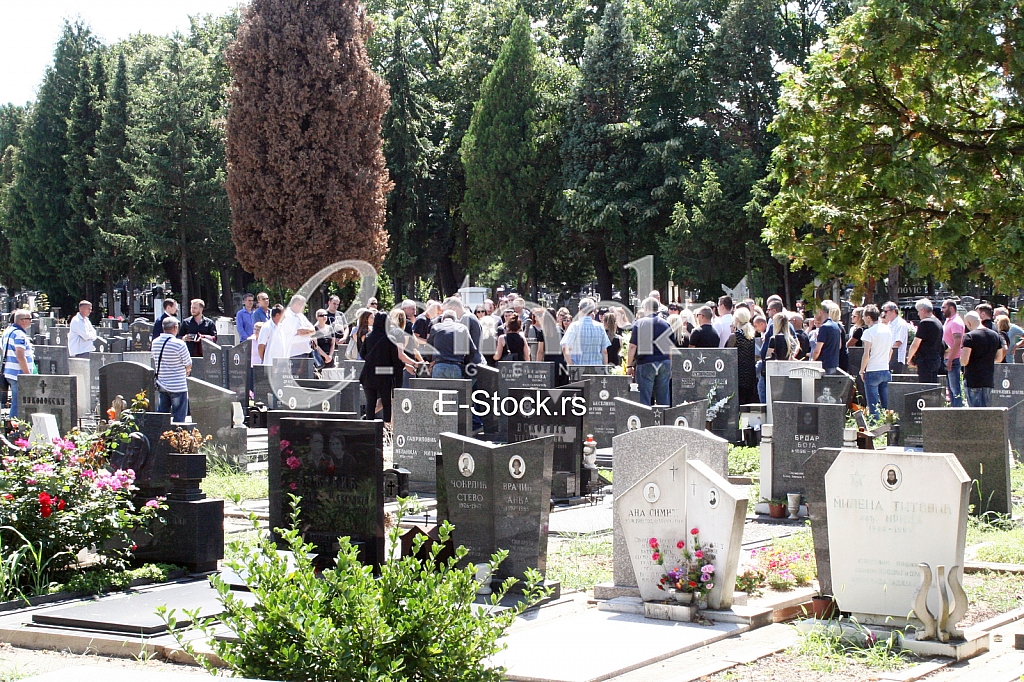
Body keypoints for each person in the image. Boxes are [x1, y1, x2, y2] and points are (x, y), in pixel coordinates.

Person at [359, 311, 410, 423]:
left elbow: (362, 354)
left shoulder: (368, 336)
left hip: (369, 374)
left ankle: (369, 428)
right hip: (384, 374)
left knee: (370, 403)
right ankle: (386, 427)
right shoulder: (390, 338)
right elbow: (395, 359)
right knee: (386, 403)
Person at [627, 297, 672, 406]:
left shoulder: (639, 323)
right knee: (663, 397)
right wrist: (671, 367)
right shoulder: (666, 324)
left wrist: (629, 366)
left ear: (646, 308)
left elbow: (633, 346)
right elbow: (670, 348)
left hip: (646, 363)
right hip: (664, 362)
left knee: (644, 397)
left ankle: (646, 421)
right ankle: (664, 420)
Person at [151, 316, 192, 423]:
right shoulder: (179, 344)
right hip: (178, 385)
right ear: (175, 327)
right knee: (179, 417)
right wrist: (187, 370)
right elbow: (188, 364)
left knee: (162, 416)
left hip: (162, 383)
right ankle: (177, 437)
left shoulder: (155, 342)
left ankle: (160, 436)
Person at [961, 310, 1003, 407]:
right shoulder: (995, 335)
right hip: (988, 379)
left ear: (968, 323)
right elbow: (999, 358)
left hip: (973, 379)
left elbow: (964, 361)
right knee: (986, 411)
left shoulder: (970, 336)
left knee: (975, 413)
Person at [859, 305, 892, 417]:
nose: (863, 318)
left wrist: (862, 370)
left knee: (873, 406)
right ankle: (888, 426)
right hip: (885, 369)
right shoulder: (888, 329)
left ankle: (875, 428)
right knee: (886, 405)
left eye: (863, 316)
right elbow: (891, 351)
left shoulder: (869, 332)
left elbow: (866, 354)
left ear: (868, 317)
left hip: (872, 370)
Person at [427, 310, 478, 378]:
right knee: (455, 388)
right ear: (455, 319)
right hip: (456, 366)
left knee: (438, 388)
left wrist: (431, 360)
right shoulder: (462, 328)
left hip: (439, 365)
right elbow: (472, 349)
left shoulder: (436, 327)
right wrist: (464, 361)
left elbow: (428, 347)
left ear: (443, 318)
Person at [2, 310, 34, 418]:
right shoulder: (19, 334)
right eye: (30, 319)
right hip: (18, 373)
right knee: (18, 402)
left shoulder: (8, 331)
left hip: (10, 371)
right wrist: (27, 375)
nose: (31, 321)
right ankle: (14, 428)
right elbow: (20, 356)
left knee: (17, 400)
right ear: (23, 321)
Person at [560, 298, 610, 366]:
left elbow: (565, 348)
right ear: (592, 310)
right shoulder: (600, 327)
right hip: (597, 368)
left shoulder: (574, 326)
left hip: (579, 368)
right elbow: (604, 351)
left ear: (580, 309)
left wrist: (571, 365)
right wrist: (605, 369)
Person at [906, 298, 945, 383]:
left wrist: (909, 358)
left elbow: (916, 343)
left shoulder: (925, 322)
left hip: (926, 361)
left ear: (923, 310)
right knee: (933, 387)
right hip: (936, 359)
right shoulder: (938, 322)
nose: (918, 314)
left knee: (925, 388)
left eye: (918, 311)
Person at [941, 299, 966, 407]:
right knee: (950, 389)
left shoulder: (956, 322)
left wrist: (950, 359)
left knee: (955, 389)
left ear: (951, 308)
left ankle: (957, 411)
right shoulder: (949, 320)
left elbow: (957, 341)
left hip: (954, 359)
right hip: (948, 358)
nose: (942, 310)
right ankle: (953, 409)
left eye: (944, 308)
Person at [732, 307, 758, 405]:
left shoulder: (736, 336)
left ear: (737, 319)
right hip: (750, 375)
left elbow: (726, 354)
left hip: (737, 374)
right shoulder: (751, 335)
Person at [811, 302, 841, 374]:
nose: (814, 314)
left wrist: (812, 360)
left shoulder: (824, 327)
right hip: (834, 364)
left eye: (816, 312)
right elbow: (839, 346)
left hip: (824, 365)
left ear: (820, 312)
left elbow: (817, 350)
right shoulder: (836, 326)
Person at [881, 302, 908, 374]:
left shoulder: (901, 324)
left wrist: (888, 354)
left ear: (893, 311)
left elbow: (898, 343)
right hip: (888, 358)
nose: (884, 314)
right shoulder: (889, 324)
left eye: (886, 311)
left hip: (896, 359)